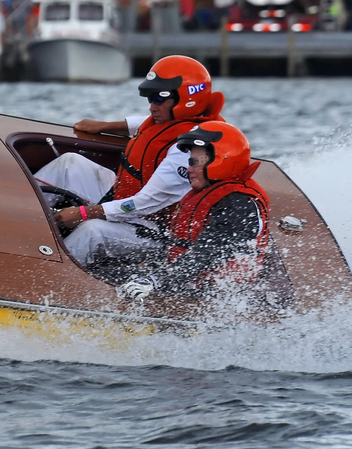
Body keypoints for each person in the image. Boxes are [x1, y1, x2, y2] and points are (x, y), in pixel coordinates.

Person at [40, 56, 226, 272]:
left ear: (186, 100)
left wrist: (82, 213)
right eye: (150, 98)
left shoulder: (187, 151)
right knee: (69, 163)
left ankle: (44, 275)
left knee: (92, 231)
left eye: (158, 99)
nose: (151, 107)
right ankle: (19, 223)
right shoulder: (173, 120)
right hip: (128, 203)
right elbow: (145, 125)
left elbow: (145, 203)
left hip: (158, 231)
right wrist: (106, 125)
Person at [116, 122, 270, 300]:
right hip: (186, 285)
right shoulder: (212, 194)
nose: (189, 169)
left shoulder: (240, 206)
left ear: (222, 159)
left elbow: (207, 254)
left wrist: (155, 280)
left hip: (218, 299)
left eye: (195, 162)